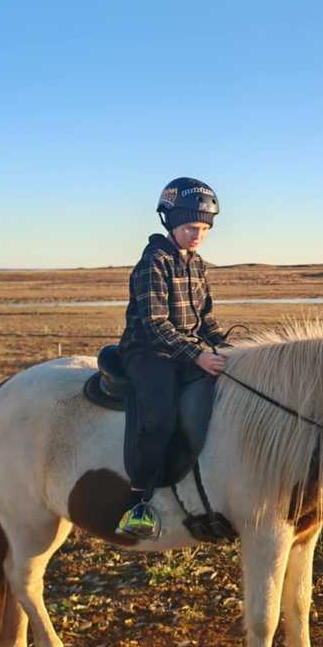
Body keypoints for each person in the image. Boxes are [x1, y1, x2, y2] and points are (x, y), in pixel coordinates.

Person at [115, 177, 229, 538]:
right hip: (149, 352)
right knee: (160, 419)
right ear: (170, 223)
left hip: (186, 349)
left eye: (204, 228)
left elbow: (205, 318)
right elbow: (154, 324)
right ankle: (137, 502)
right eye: (189, 227)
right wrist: (196, 356)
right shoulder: (154, 262)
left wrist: (226, 348)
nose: (197, 235)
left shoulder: (198, 265)